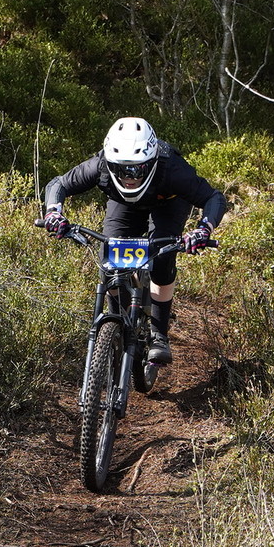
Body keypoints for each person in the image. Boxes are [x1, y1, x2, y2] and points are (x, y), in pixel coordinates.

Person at [41, 117, 226, 366]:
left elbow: (213, 197)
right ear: (110, 162)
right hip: (123, 204)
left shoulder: (172, 168)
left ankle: (159, 335)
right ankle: (117, 324)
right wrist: (53, 213)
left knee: (162, 257)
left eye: (137, 169)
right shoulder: (99, 165)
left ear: (151, 161)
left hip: (167, 203)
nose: (129, 177)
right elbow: (60, 184)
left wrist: (203, 230)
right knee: (109, 260)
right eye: (121, 168)